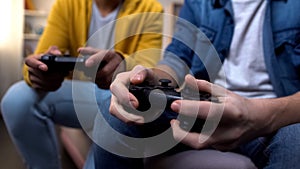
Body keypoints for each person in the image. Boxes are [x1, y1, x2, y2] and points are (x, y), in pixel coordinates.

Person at [94, 0, 300, 168]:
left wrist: (263, 114)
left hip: (275, 117)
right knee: (114, 112)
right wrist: (150, 78)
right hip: (202, 109)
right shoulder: (198, 3)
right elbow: (177, 58)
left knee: (296, 140)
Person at [0, 0, 163, 168]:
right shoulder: (67, 4)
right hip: (80, 95)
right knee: (16, 100)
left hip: (120, 96)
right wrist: (37, 73)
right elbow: (39, 57)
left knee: (120, 107)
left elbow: (148, 67)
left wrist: (122, 64)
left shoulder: (150, 9)